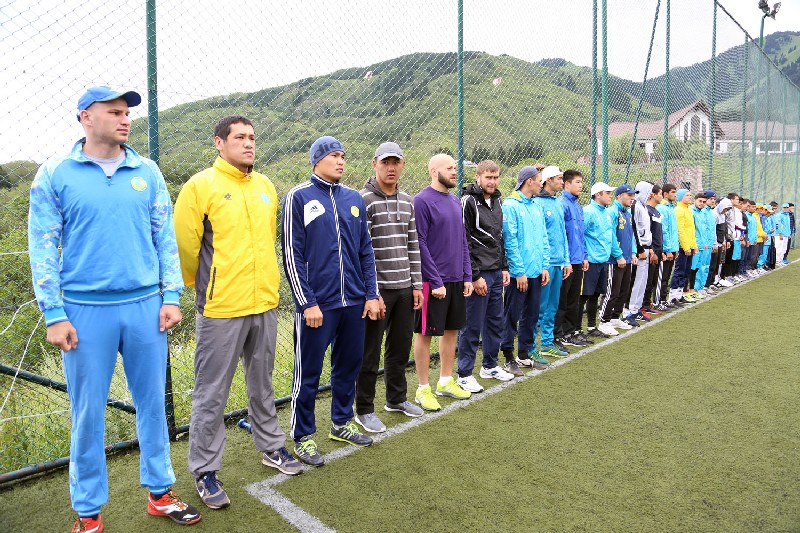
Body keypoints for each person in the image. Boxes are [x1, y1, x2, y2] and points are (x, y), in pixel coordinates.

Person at [28, 86, 202, 531]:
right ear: (86, 117)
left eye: (127, 112)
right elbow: (42, 245)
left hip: (145, 307)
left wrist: (171, 296)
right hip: (84, 311)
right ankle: (88, 513)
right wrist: (53, 313)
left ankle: (160, 493)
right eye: (115, 112)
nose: (125, 119)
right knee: (88, 414)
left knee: (153, 405)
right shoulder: (55, 173)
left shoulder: (147, 171)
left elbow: (164, 237)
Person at [174, 116, 302, 510]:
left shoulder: (265, 186)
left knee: (262, 383)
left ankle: (272, 447)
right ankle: (205, 470)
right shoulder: (200, 186)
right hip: (221, 308)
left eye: (252, 137)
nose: (249, 144)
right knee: (211, 391)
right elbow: (185, 245)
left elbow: (268, 239)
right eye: (240, 137)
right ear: (219, 142)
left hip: (264, 302)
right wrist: (204, 285)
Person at [282, 136, 382, 466]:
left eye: (343, 156)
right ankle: (303, 436)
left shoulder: (353, 198)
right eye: (334, 156)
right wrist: (306, 302)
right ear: (317, 160)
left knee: (348, 366)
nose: (340, 161)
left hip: (353, 301)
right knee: (307, 372)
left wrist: (371, 294)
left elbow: (365, 251)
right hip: (317, 305)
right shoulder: (298, 197)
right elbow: (291, 254)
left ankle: (341, 423)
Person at [355, 142, 424, 433]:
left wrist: (417, 285)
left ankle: (396, 399)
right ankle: (364, 409)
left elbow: (413, 245)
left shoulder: (408, 201)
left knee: (399, 348)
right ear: (375, 164)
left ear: (403, 165)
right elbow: (361, 250)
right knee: (369, 352)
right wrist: (371, 293)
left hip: (405, 288)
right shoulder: (362, 200)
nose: (391, 168)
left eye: (396, 162)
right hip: (378, 292)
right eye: (385, 162)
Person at [412, 154, 474, 411]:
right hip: (432, 282)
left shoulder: (455, 201)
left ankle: (445, 381)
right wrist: (435, 280)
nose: (454, 171)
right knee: (425, 333)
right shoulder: (421, 201)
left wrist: (467, 275)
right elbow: (419, 242)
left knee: (451, 331)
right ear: (433, 171)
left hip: (457, 279)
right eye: (449, 168)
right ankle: (422, 388)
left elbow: (462, 240)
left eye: (455, 168)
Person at [456, 160, 514, 391]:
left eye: (496, 177)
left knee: (495, 321)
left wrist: (504, 267)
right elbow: (464, 240)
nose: (492, 182)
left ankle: (489, 365)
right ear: (477, 177)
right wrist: (474, 275)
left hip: (496, 271)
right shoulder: (467, 201)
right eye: (488, 177)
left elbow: (499, 237)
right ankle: (464, 373)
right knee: (472, 325)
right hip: (478, 274)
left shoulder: (498, 200)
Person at [500, 166, 551, 369]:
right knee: (511, 316)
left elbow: (543, 238)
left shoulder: (536, 206)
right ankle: (507, 356)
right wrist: (518, 271)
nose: (541, 184)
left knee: (531, 315)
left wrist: (544, 266)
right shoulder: (510, 205)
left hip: (536, 272)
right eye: (539, 180)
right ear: (529, 181)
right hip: (518, 275)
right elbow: (509, 241)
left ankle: (524, 353)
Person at [534, 166, 572, 358]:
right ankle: (530, 346)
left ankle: (547, 343)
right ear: (548, 180)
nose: (561, 182)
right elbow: (539, 236)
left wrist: (566, 260)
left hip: (558, 263)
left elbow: (562, 235)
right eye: (559, 178)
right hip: (545, 264)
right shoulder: (537, 203)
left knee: (552, 306)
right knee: (539, 307)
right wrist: (544, 263)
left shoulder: (557, 203)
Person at [555, 170, 591, 347]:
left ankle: (570, 332)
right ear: (566, 184)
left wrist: (584, 256)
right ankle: (559, 333)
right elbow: (561, 236)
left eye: (581, 182)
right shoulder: (562, 204)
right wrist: (566, 260)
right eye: (577, 182)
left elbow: (580, 235)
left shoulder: (577, 206)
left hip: (577, 260)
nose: (581, 185)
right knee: (562, 300)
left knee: (574, 299)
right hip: (567, 261)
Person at [599, 184, 638, 330]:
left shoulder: (628, 213)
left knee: (623, 290)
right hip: (615, 259)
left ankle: (615, 317)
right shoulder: (612, 212)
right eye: (629, 195)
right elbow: (611, 236)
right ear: (619, 196)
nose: (632, 198)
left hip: (627, 258)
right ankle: (604, 321)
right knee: (612, 292)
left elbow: (631, 235)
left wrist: (633, 253)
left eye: (633, 195)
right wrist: (618, 255)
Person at [581, 182, 617, 337]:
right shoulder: (588, 211)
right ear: (597, 195)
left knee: (596, 294)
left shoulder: (607, 213)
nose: (610, 196)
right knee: (584, 296)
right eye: (607, 193)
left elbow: (610, 236)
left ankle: (591, 327)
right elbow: (580, 235)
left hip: (604, 260)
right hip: (590, 261)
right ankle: (575, 330)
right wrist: (584, 256)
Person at [627, 181, 656, 322]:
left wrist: (649, 247)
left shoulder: (643, 207)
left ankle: (636, 309)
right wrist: (639, 249)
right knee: (636, 280)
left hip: (646, 246)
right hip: (640, 248)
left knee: (643, 280)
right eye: (649, 191)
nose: (650, 194)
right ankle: (629, 310)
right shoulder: (635, 206)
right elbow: (634, 229)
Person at [667, 188, 697, 304]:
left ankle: (679, 295)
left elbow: (691, 230)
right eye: (687, 195)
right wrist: (686, 247)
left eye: (690, 195)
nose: (690, 197)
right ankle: (672, 296)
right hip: (682, 247)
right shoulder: (679, 210)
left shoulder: (688, 210)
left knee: (686, 271)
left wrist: (693, 245)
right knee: (679, 270)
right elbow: (680, 230)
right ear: (680, 197)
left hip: (689, 246)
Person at [641, 183, 665, 313]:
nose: (662, 196)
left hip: (659, 249)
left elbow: (659, 232)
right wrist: (652, 250)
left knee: (653, 279)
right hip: (652, 250)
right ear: (652, 195)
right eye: (660, 194)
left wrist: (662, 250)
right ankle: (643, 305)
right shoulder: (647, 211)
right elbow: (648, 232)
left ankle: (647, 303)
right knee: (647, 279)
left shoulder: (657, 211)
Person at [655, 184, 680, 307]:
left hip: (672, 248)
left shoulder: (670, 208)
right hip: (666, 249)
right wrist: (667, 249)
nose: (675, 195)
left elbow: (673, 230)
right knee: (662, 277)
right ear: (665, 194)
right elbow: (663, 231)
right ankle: (658, 301)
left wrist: (676, 248)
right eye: (673, 192)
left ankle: (663, 299)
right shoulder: (662, 208)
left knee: (667, 276)